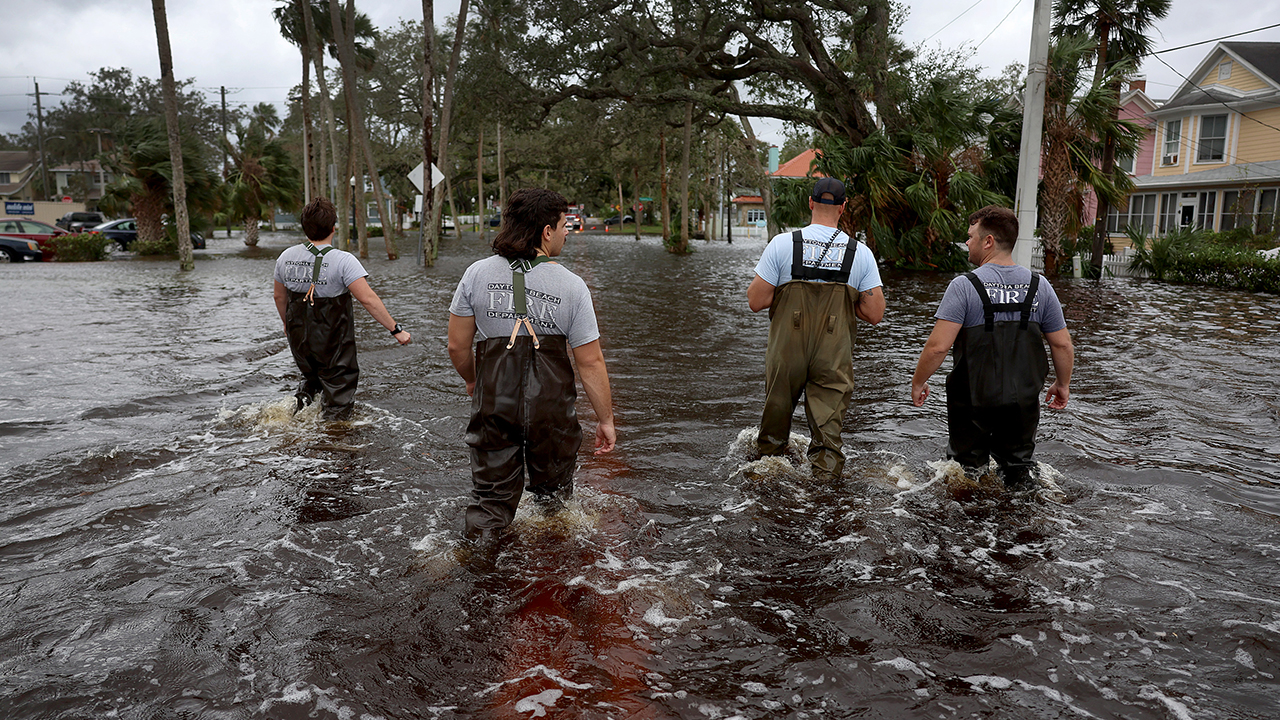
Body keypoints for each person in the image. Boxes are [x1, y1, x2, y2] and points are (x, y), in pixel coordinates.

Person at [447, 187, 616, 542]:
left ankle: (476, 566)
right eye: (564, 224)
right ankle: (550, 574)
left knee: (490, 504)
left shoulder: (476, 274)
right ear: (546, 231)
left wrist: (474, 380)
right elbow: (590, 362)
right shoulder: (572, 286)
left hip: (494, 402)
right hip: (551, 412)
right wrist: (605, 419)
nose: (568, 232)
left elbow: (457, 345)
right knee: (554, 506)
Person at [911, 205, 1074, 487]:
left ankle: (969, 528)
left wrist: (919, 381)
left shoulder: (964, 286)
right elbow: (1062, 345)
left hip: (972, 400)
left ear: (989, 241)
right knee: (1019, 471)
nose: (967, 242)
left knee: (965, 474)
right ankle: (1023, 524)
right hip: (1022, 401)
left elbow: (937, 347)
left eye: (971, 236)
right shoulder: (1040, 286)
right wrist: (1063, 384)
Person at [747, 177, 885, 480]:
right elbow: (875, 313)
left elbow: (756, 301)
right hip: (833, 353)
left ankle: (768, 486)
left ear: (810, 203)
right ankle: (824, 498)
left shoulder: (783, 244)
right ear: (843, 207)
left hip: (787, 350)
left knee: (773, 428)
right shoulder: (859, 253)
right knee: (828, 437)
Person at [273, 197, 411, 419]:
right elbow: (368, 299)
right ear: (333, 227)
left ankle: (296, 429)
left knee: (310, 380)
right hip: (332, 340)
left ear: (304, 226)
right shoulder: (344, 261)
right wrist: (396, 330)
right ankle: (332, 441)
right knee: (339, 388)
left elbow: (279, 297)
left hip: (299, 336)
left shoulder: (285, 258)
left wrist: (287, 325)